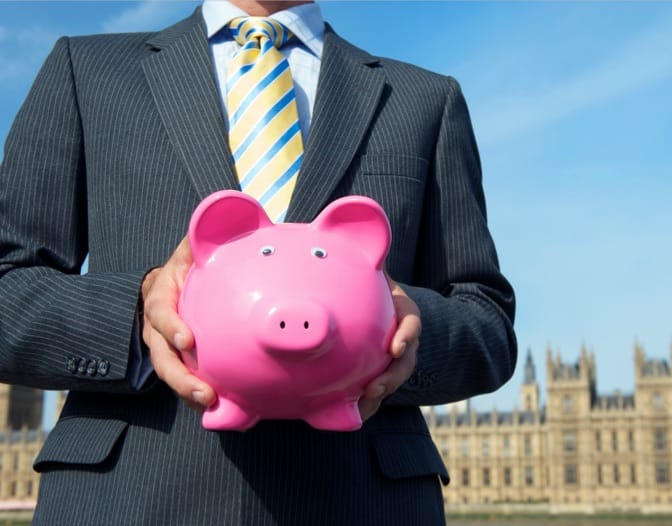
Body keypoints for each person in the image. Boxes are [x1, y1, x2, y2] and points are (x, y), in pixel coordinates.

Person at [0, 0, 516, 524]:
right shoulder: (86, 71)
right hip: (128, 496)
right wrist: (138, 310)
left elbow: (486, 321)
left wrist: (399, 328)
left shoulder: (425, 99)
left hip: (363, 499)